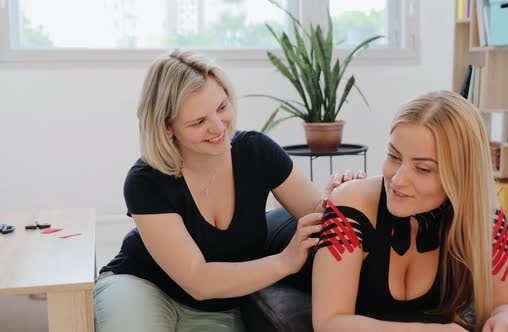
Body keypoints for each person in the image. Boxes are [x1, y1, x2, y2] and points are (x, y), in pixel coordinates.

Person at [94, 49, 363, 332]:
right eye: (198, 122)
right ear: (167, 127)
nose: (218, 127)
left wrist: (340, 198)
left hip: (218, 304)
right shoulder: (146, 180)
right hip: (142, 284)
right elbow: (198, 280)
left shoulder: (256, 152)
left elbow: (318, 214)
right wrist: (285, 261)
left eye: (222, 107)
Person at [312, 91, 508, 332]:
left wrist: (506, 322)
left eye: (423, 169)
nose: (398, 178)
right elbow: (329, 322)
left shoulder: (483, 217)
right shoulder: (350, 204)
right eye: (394, 156)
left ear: (461, 176)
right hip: (288, 236)